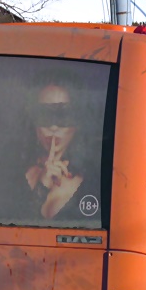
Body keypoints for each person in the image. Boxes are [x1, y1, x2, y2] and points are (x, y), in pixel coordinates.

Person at [24, 80, 90, 220]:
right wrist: (41, 186)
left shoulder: (92, 183)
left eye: (64, 115)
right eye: (44, 114)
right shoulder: (10, 173)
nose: (54, 127)